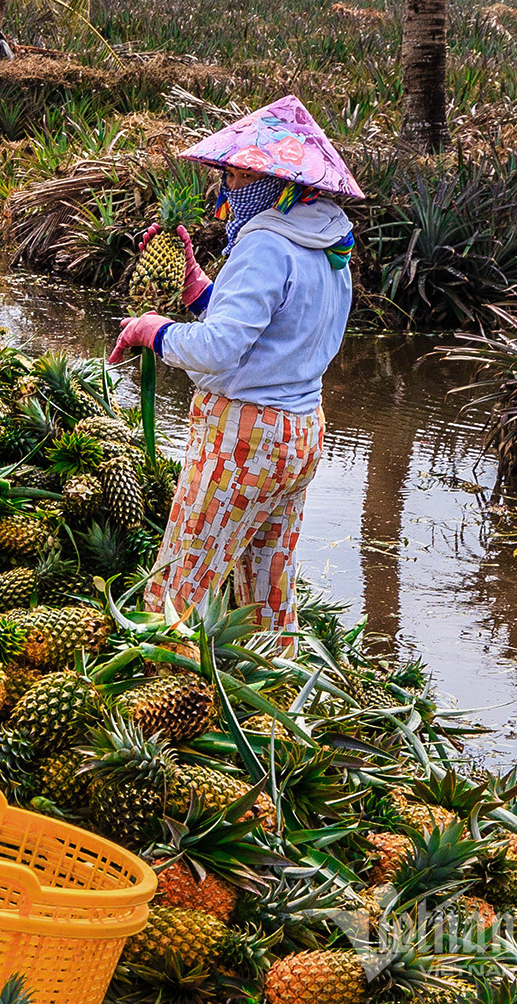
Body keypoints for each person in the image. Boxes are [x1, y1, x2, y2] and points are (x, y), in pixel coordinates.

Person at [106, 95, 360, 646]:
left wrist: (154, 331)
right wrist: (197, 285)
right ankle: (280, 687)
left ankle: (162, 679)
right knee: (267, 593)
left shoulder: (266, 243)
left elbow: (220, 349)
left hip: (245, 439)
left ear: (280, 182)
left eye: (243, 177)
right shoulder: (326, 240)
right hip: (300, 434)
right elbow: (273, 329)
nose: (230, 188)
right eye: (230, 175)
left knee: (179, 587)